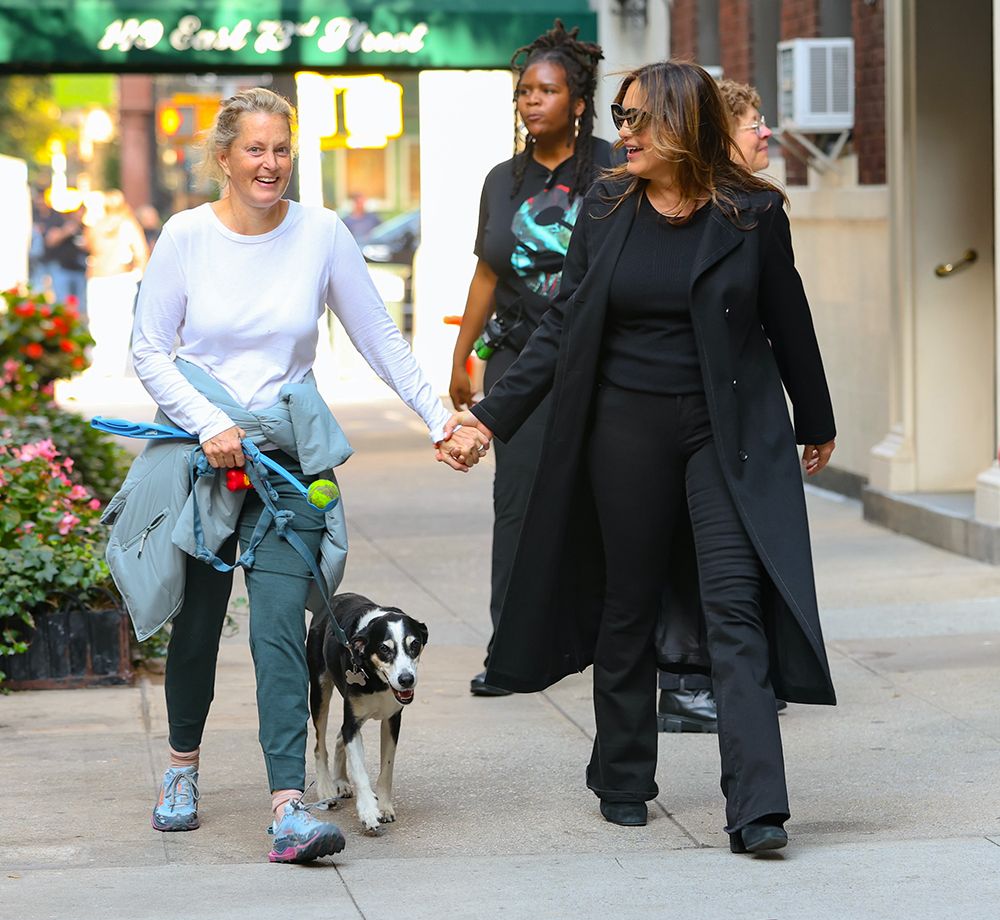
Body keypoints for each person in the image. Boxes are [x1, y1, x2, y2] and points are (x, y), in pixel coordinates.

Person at [448, 61, 837, 854]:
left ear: (682, 126)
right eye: (619, 118)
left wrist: (815, 415)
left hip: (722, 431)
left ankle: (758, 803)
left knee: (733, 604)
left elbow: (785, 313)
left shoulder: (752, 212)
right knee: (627, 603)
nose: (620, 134)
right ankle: (623, 775)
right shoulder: (607, 204)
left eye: (635, 121)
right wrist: (489, 417)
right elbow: (562, 324)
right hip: (624, 424)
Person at [127, 87, 482, 864]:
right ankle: (182, 769)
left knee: (281, 633)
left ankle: (289, 803)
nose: (271, 164)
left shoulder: (321, 232)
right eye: (254, 149)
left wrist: (438, 417)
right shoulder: (186, 237)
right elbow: (149, 349)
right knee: (195, 629)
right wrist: (208, 423)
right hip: (204, 459)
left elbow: (377, 335)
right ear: (223, 157)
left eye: (282, 149)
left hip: (287, 468)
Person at [448, 20, 612, 697]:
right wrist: (460, 357)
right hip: (516, 359)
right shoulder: (500, 180)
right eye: (523, 91)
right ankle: (510, 652)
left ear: (577, 102)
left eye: (547, 91)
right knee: (515, 506)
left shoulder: (612, 167)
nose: (532, 101)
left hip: (600, 361)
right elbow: (488, 272)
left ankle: (613, 639)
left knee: (605, 502)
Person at [656, 79, 778, 734]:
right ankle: (682, 680)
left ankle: (730, 674)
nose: (765, 134)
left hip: (737, 420)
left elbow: (785, 323)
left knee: (729, 558)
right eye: (753, 123)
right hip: (683, 419)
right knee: (689, 553)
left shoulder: (757, 212)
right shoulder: (679, 215)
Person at [85, 190, 149, 376]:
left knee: (100, 321)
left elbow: (90, 245)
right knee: (117, 321)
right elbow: (141, 251)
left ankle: (103, 362)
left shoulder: (101, 224)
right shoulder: (126, 224)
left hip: (103, 277)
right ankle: (114, 363)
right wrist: (138, 274)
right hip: (118, 277)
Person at [43, 203, 89, 319]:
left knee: (80, 306)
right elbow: (50, 240)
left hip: (79, 270)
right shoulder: (60, 223)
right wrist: (66, 231)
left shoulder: (84, 227)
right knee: (62, 304)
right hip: (62, 268)